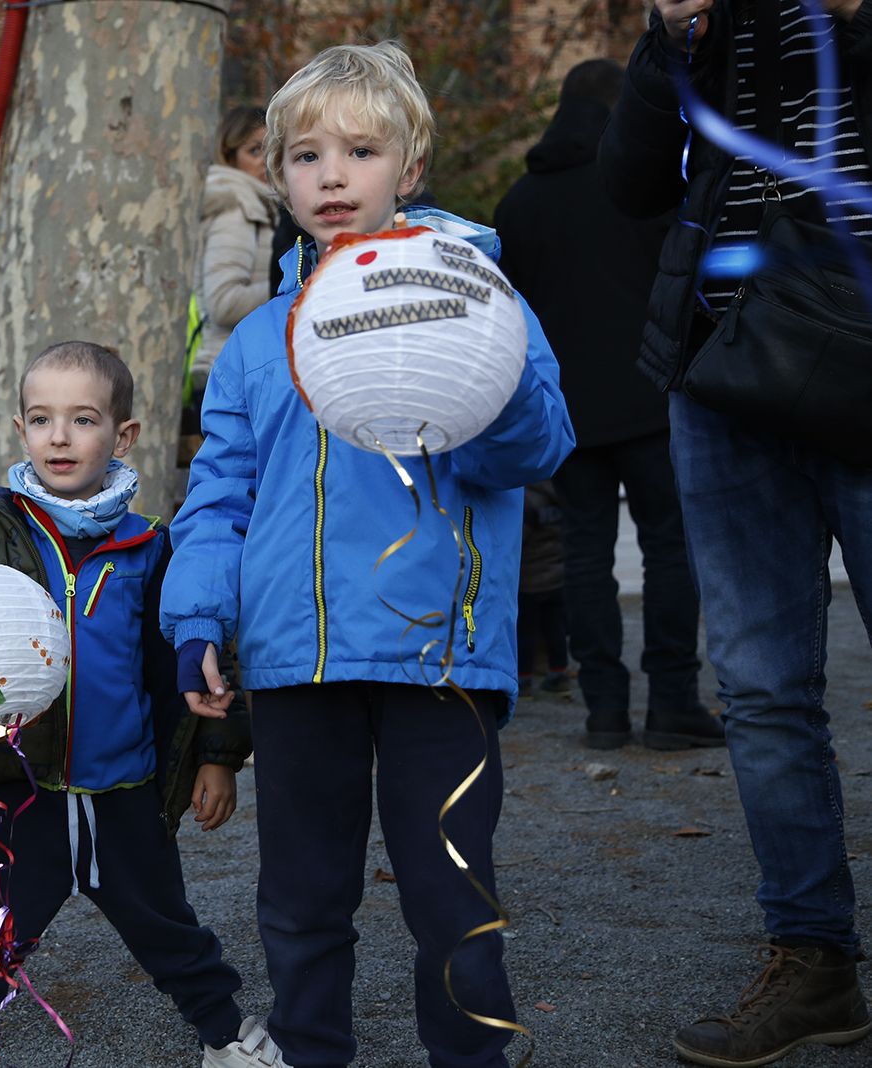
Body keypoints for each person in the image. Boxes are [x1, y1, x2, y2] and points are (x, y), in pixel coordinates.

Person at [162, 43, 574, 1068]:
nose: (332, 175)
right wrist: (199, 615)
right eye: (305, 155)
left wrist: (485, 365)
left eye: (360, 150)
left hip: (439, 654)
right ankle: (312, 1053)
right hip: (298, 659)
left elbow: (536, 449)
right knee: (301, 898)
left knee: (451, 896)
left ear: (411, 166)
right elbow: (218, 495)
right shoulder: (258, 341)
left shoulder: (475, 301)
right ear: (277, 175)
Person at [599, 1, 872, 1063]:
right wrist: (668, 41)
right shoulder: (709, 21)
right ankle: (814, 963)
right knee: (760, 689)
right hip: (727, 366)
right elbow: (631, 186)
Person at [0, 342, 258, 1068]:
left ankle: (225, 1037)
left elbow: (206, 659)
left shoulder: (152, 546)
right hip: (19, 791)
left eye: (83, 419)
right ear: (21, 429)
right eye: (41, 419)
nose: (59, 436)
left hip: (125, 787)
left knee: (168, 927)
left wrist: (218, 758)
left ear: (123, 435)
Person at [494, 58, 718, 752]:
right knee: (669, 548)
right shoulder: (644, 184)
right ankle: (673, 701)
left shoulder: (521, 202)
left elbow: (509, 318)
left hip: (569, 413)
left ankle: (605, 709)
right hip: (652, 398)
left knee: (584, 554)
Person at [190, 106, 280, 399]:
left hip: (243, 368)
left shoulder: (262, 204)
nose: (266, 160)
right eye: (254, 150)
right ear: (229, 156)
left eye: (272, 148)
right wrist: (295, 284)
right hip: (227, 373)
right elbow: (224, 303)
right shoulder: (237, 208)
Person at [517, 481, 569, 698]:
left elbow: (518, 541)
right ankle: (558, 673)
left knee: (525, 632)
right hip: (557, 576)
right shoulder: (562, 496)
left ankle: (523, 679)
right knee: (556, 630)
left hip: (529, 580)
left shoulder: (528, 501)